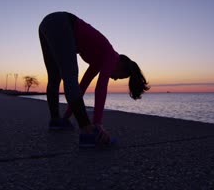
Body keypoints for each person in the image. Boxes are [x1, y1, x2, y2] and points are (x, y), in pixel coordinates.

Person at [38, 11, 149, 147]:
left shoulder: (99, 60)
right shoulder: (112, 56)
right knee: (70, 75)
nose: (114, 79)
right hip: (63, 23)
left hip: (46, 24)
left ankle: (56, 121)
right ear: (122, 65)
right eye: (119, 76)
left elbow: (82, 87)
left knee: (55, 77)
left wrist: (66, 118)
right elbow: (101, 88)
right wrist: (97, 124)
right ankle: (87, 131)